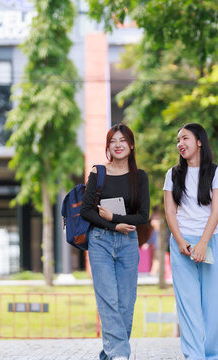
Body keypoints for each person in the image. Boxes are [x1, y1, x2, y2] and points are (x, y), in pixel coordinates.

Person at [81, 123, 150, 360]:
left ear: (131, 145)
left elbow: (143, 216)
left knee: (126, 303)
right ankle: (121, 355)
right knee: (108, 299)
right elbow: (86, 211)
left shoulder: (139, 177)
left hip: (128, 242)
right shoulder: (98, 173)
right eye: (113, 141)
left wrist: (115, 218)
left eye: (123, 141)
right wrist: (112, 225)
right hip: (99, 241)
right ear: (108, 146)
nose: (118, 145)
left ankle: (110, 355)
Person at [163, 123, 218, 359]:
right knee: (188, 306)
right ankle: (194, 356)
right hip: (181, 243)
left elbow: (217, 211)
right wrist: (180, 242)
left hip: (211, 240)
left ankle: (213, 355)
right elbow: (170, 213)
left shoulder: (216, 172)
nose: (180, 143)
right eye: (178, 140)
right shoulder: (172, 174)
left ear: (199, 141)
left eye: (185, 138)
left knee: (211, 304)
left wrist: (203, 243)